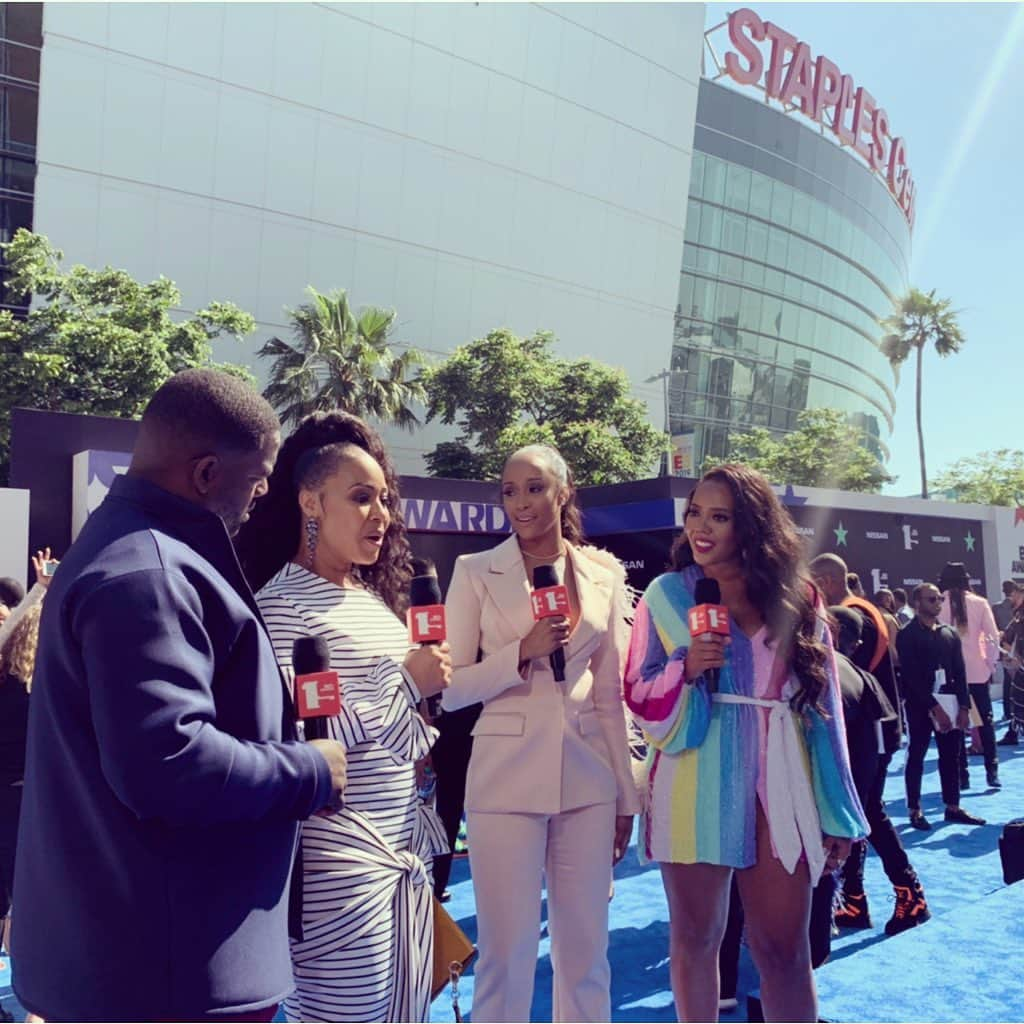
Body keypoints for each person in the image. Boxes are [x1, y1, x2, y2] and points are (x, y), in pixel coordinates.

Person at [12, 369, 348, 1023]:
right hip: (168, 980)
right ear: (204, 474)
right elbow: (167, 765)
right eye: (258, 478)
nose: (259, 497)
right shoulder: (149, 572)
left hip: (151, 965)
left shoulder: (124, 549)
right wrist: (312, 770)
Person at [626, 464, 866, 1024]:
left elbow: (822, 708)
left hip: (781, 775)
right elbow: (636, 689)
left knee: (784, 950)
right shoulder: (665, 595)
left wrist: (837, 810)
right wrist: (686, 670)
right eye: (694, 514)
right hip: (692, 774)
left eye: (719, 516)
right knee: (695, 939)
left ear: (750, 526)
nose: (700, 529)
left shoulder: (798, 596)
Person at [236, 410, 451, 1024]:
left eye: (383, 499)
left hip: (404, 851)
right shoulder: (280, 608)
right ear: (310, 501)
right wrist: (407, 679)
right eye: (360, 498)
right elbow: (303, 735)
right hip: (337, 861)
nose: (380, 514)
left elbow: (396, 725)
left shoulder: (372, 600)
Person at [442, 444, 639, 1023]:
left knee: (587, 954)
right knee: (507, 955)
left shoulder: (603, 573)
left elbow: (611, 695)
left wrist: (627, 795)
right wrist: (520, 654)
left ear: (562, 489)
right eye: (508, 490)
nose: (520, 502)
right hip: (503, 783)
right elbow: (451, 689)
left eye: (533, 488)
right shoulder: (474, 572)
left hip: (590, 779)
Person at [809, 553, 920, 933]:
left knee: (866, 812)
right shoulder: (863, 613)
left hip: (866, 732)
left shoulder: (853, 616)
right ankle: (854, 898)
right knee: (858, 814)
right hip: (871, 728)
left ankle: (910, 892)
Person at [0, 548, 54, 952]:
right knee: (27, 891)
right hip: (23, 796)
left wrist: (37, 591)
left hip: (14, 794)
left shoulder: (27, 686)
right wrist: (38, 593)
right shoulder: (39, 687)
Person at [896, 583, 985, 829]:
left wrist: (964, 706)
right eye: (931, 599)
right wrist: (933, 707)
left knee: (951, 755)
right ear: (917, 603)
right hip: (919, 705)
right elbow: (911, 675)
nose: (937, 603)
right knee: (917, 754)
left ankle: (953, 806)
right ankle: (914, 809)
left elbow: (960, 671)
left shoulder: (949, 633)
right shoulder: (907, 634)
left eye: (939, 599)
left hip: (951, 702)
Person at [937, 562, 1000, 788]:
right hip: (977, 673)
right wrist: (989, 665)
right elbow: (993, 638)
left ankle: (961, 775)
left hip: (949, 675)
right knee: (986, 723)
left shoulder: (938, 602)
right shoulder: (980, 603)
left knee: (955, 725)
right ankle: (991, 771)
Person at [998, 586, 1024, 745]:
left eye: (1019, 594)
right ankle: (1013, 731)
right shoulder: (1018, 618)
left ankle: (1013, 731)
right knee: (1018, 697)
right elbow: (1006, 638)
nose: (1014, 597)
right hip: (1021, 667)